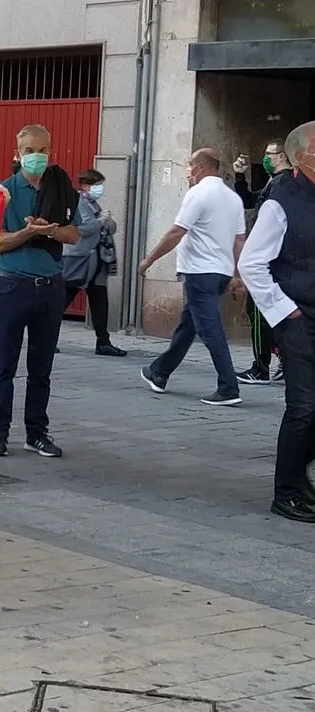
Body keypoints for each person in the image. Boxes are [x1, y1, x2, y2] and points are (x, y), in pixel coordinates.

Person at [0, 124, 81, 459]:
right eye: (29, 151)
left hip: (51, 287)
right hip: (12, 287)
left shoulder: (61, 187)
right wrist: (27, 232)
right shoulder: (4, 192)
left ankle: (36, 433)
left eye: (42, 150)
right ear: (17, 154)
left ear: (49, 151)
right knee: (5, 364)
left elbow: (73, 235)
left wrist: (50, 230)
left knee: (41, 367)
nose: (36, 157)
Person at [238, 121, 315, 523]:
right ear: (302, 157)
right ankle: (286, 492)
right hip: (298, 316)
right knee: (304, 407)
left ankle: (300, 481)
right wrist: (286, 311)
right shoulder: (280, 201)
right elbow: (251, 263)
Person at [138, 148, 246, 406]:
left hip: (200, 272)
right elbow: (240, 239)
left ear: (200, 167)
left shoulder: (197, 194)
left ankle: (228, 388)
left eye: (189, 166)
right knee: (188, 326)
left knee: (210, 329)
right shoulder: (233, 199)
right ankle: (159, 373)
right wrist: (236, 273)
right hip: (220, 272)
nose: (187, 171)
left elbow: (176, 232)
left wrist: (149, 260)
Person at [232, 140, 294, 385]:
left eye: (270, 154)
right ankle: (283, 360)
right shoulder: (274, 181)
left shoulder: (283, 183)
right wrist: (239, 176)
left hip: (269, 259)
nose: (265, 157)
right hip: (271, 257)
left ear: (282, 156)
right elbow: (248, 200)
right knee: (267, 312)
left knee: (259, 311)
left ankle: (260, 368)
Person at [62, 168, 126, 357]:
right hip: (80, 259)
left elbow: (109, 227)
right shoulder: (79, 203)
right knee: (64, 297)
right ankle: (44, 336)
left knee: (99, 300)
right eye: (96, 185)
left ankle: (103, 341)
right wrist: (101, 221)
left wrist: (106, 221)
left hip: (97, 260)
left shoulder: (93, 205)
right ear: (85, 186)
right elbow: (84, 228)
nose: (100, 189)